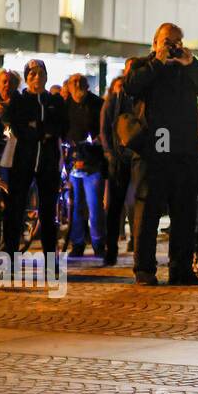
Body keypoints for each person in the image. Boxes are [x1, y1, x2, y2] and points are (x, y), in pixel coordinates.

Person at [123, 22, 198, 286]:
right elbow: (131, 87)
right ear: (155, 43)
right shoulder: (141, 65)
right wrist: (158, 61)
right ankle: (144, 269)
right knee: (148, 210)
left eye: (177, 41)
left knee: (185, 212)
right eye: (168, 41)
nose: (173, 46)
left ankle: (181, 269)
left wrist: (191, 63)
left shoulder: (186, 67)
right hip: (153, 150)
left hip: (184, 150)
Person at [2, 59, 68, 262]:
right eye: (32, 73)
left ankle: (50, 258)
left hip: (48, 163)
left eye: (41, 73)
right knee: (15, 209)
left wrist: (37, 128)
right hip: (22, 161)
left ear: (47, 76)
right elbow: (18, 126)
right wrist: (40, 131)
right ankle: (11, 256)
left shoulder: (55, 101)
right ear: (27, 77)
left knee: (48, 213)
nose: (37, 77)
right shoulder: (19, 100)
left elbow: (61, 127)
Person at [99, 62, 139, 267]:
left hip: (137, 159)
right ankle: (111, 249)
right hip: (118, 159)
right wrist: (110, 153)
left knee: (137, 206)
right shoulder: (113, 101)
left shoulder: (142, 97)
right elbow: (105, 129)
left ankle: (138, 249)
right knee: (114, 207)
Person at [64, 74, 106, 258]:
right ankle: (78, 243)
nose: (77, 85)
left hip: (93, 161)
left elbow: (106, 129)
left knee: (94, 205)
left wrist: (99, 140)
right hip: (72, 161)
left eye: (80, 82)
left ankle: (98, 243)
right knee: (74, 206)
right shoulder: (65, 105)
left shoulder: (98, 104)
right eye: (74, 82)